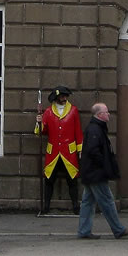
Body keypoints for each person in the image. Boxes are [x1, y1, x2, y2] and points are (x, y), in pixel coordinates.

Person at [77, 102, 128, 240]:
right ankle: (118, 229)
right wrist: (104, 165)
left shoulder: (95, 128)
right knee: (107, 201)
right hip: (96, 173)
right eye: (106, 112)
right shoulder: (96, 130)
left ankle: (84, 230)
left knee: (88, 201)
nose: (109, 114)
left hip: (90, 172)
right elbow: (93, 151)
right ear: (100, 115)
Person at [34, 85, 82, 214]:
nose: (65, 98)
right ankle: (46, 207)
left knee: (72, 180)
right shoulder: (48, 112)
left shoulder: (73, 111)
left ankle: (75, 206)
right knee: (49, 179)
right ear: (56, 97)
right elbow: (42, 131)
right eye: (62, 96)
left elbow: (78, 131)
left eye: (66, 95)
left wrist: (80, 148)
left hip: (69, 151)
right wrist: (39, 122)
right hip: (54, 151)